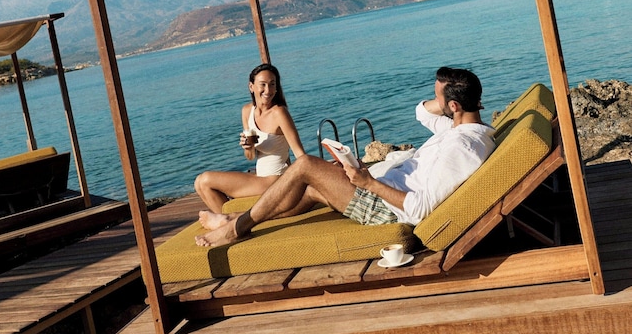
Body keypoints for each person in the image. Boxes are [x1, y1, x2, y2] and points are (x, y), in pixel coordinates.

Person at [195, 66, 495, 246]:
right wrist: (447, 98)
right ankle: (232, 217)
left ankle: (235, 229)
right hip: (382, 184)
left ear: (453, 106)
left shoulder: (462, 147)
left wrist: (368, 182)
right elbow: (422, 112)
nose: (435, 102)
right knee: (312, 189)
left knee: (305, 165)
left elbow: (420, 209)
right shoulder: (458, 128)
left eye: (440, 98)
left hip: (386, 209)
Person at [194, 63, 306, 214]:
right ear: (251, 87)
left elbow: (300, 154)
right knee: (200, 183)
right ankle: (233, 221)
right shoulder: (247, 111)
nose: (268, 90)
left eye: (272, 84)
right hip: (260, 177)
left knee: (205, 180)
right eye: (263, 85)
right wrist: (248, 147)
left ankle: (230, 222)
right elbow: (250, 156)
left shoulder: (279, 113)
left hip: (275, 180)